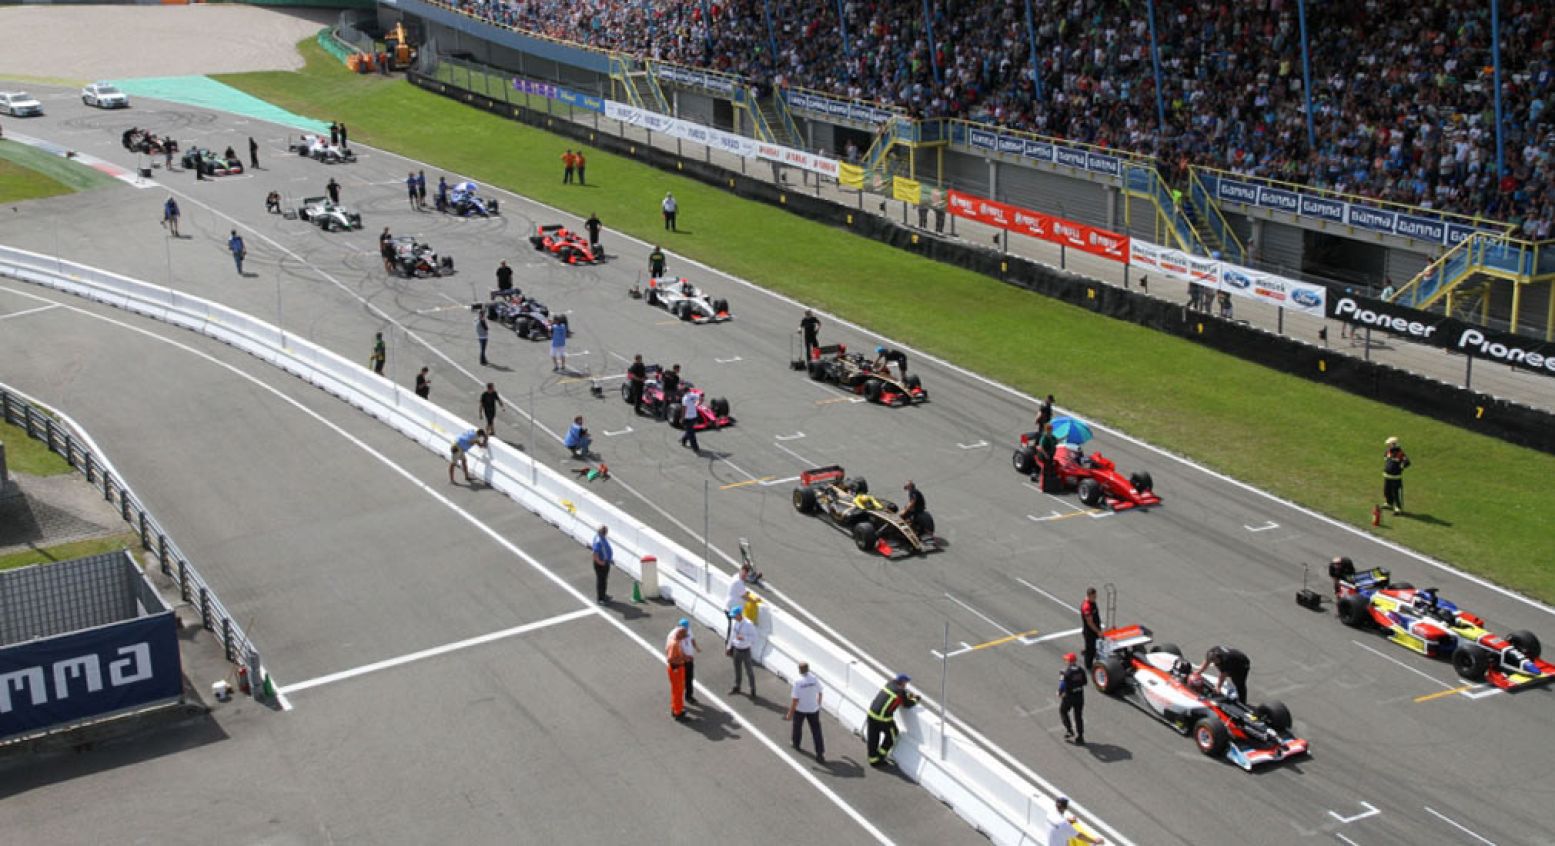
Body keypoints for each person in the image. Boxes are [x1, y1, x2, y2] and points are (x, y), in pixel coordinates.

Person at [866, 674, 918, 766]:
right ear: (903, 682)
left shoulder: (889, 684)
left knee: (873, 738)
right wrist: (915, 699)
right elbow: (907, 704)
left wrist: (907, 694)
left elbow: (902, 694)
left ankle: (873, 759)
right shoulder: (900, 692)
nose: (906, 685)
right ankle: (881, 756)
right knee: (892, 735)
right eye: (906, 683)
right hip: (883, 719)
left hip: (871, 714)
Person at [786, 662, 825, 762]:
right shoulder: (814, 679)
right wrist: (818, 704)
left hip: (801, 709)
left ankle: (796, 744)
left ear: (799, 670)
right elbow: (820, 692)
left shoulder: (798, 682)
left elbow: (795, 700)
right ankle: (820, 753)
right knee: (816, 731)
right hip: (813, 709)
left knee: (797, 727)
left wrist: (790, 713)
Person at [726, 607, 757, 697]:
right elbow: (732, 635)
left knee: (749, 671)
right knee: (737, 669)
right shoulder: (735, 623)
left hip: (745, 650)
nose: (733, 618)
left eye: (734, 616)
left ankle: (752, 689)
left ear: (739, 615)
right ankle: (737, 686)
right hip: (736, 649)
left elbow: (754, 638)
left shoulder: (748, 624)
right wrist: (728, 647)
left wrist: (744, 638)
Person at [1058, 652, 1087, 745]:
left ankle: (1069, 730)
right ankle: (1080, 736)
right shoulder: (1081, 670)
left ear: (1069, 662)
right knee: (1078, 716)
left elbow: (1063, 685)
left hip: (1069, 697)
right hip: (1079, 696)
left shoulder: (1067, 673)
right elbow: (1085, 682)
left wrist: (1060, 692)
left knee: (1063, 711)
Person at [666, 625, 690, 721]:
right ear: (680, 635)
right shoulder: (674, 644)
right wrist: (682, 659)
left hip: (678, 668)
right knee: (678, 691)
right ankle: (678, 712)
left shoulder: (676, 642)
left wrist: (684, 657)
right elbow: (670, 659)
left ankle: (675, 708)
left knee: (677, 690)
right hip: (676, 669)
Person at [1382, 437, 1410, 515]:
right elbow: (1386, 459)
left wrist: (1402, 466)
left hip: (1395, 477)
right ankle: (1389, 503)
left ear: (1394, 445)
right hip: (1387, 476)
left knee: (1395, 492)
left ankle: (1398, 508)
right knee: (1386, 491)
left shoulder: (1400, 453)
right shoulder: (1388, 452)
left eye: (1389, 445)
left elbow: (1407, 462)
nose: (1388, 446)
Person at [676, 617, 701, 704]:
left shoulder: (688, 630)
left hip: (689, 659)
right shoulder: (677, 634)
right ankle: (678, 698)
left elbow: (692, 639)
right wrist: (686, 657)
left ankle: (689, 696)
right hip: (682, 661)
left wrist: (696, 647)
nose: (686, 630)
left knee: (689, 678)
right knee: (681, 680)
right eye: (685, 628)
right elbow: (679, 649)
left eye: (687, 628)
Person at [1080, 587, 1103, 669]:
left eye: (1096, 596)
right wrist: (1098, 632)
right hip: (1090, 632)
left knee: (1098, 646)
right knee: (1091, 650)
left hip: (1095, 630)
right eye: (1094, 597)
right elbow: (1090, 622)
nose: (1095, 598)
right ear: (1089, 596)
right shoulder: (1086, 607)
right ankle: (1088, 666)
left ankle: (1087, 652)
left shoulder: (1092, 602)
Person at [591, 525, 612, 605]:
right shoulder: (599, 541)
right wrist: (601, 562)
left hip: (604, 562)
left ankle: (603, 595)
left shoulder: (599, 537)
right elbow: (594, 554)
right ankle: (601, 599)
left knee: (604, 580)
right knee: (601, 581)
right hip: (601, 564)